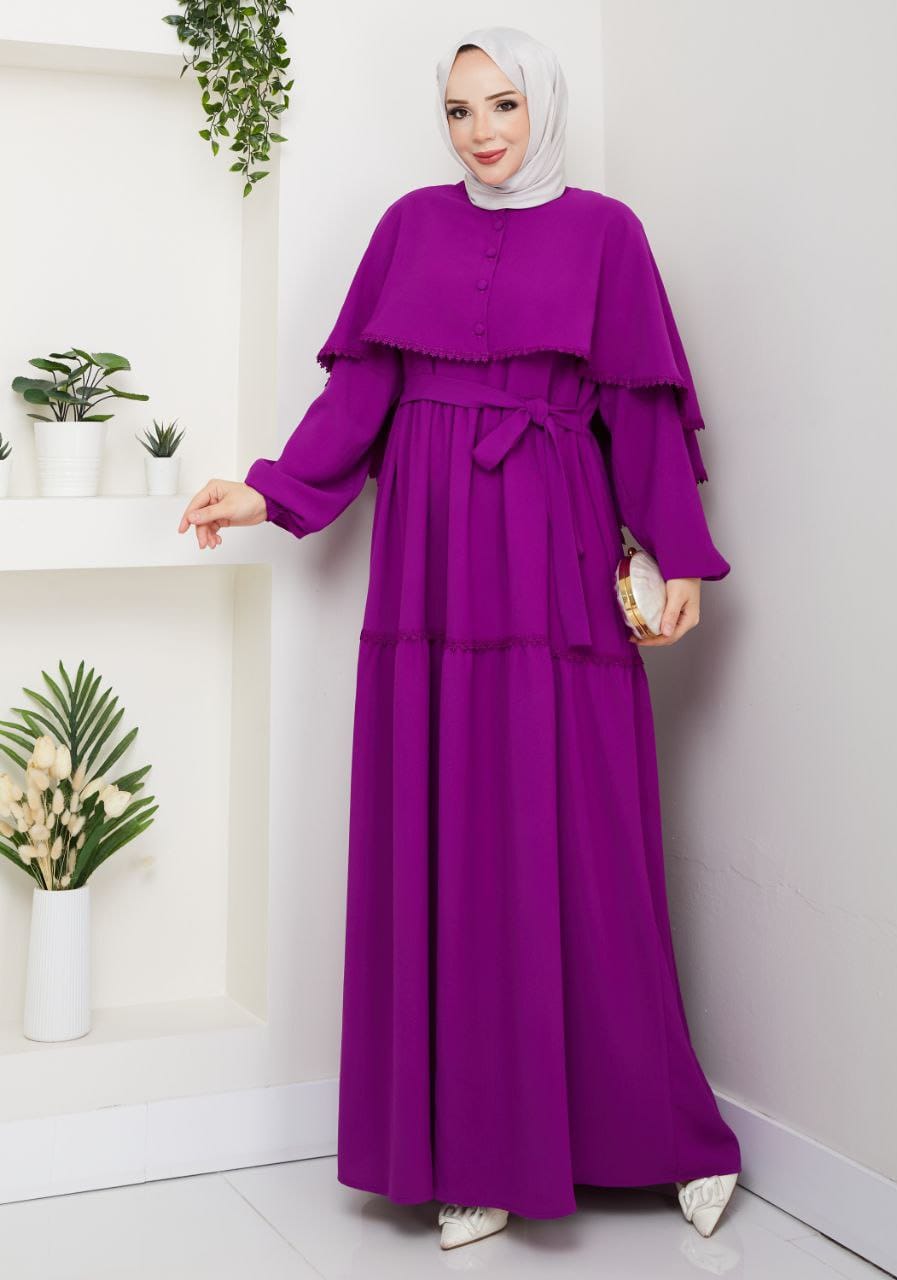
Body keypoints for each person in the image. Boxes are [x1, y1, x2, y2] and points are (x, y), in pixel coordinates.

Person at [178, 24, 741, 1253]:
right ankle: (470, 1156)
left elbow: (641, 413)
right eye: (458, 111)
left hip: (556, 558)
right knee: (451, 842)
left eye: (502, 105)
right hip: (429, 574)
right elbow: (362, 396)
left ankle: (672, 1137)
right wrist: (269, 490)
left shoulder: (609, 235)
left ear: (543, 106)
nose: (481, 132)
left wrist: (680, 554)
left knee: (586, 838)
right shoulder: (407, 228)